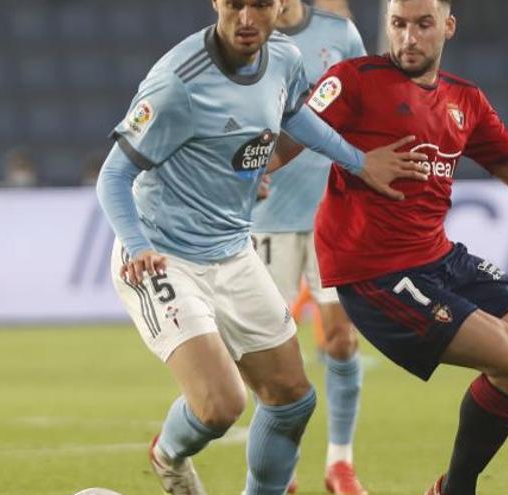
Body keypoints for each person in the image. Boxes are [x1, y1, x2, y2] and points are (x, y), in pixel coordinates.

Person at [95, 0, 427, 494]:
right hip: (164, 257)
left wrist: (359, 162)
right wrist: (139, 245)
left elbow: (295, 117)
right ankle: (168, 454)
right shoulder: (177, 82)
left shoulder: (286, 57)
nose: (247, 18)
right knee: (222, 405)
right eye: (235, 4)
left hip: (231, 249)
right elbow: (113, 176)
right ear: (216, 3)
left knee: (291, 398)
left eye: (261, 5)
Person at [300, 0, 508, 493]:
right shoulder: (353, 81)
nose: (409, 38)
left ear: (448, 27)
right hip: (375, 275)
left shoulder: (465, 100)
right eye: (399, 25)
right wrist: (350, 160)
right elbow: (287, 132)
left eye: (423, 24)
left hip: (438, 258)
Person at [251, 1, 368, 493]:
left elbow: (366, 106)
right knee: (269, 356)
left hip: (331, 215)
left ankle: (339, 464)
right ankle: (283, 467)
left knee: (340, 339)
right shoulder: (247, 37)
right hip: (268, 220)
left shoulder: (340, 35)